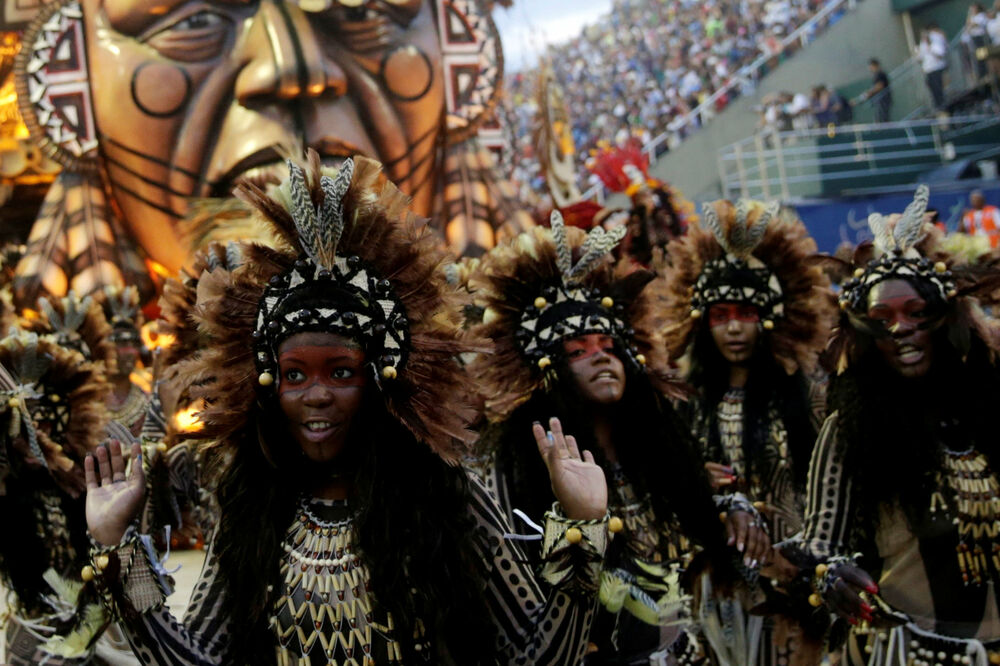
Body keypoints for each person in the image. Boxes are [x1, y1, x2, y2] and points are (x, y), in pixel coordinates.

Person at [83, 153, 611, 665]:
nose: (316, 395)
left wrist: (583, 531)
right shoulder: (252, 511)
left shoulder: (448, 497)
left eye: (340, 372)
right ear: (270, 388)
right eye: (295, 375)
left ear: (381, 383)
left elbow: (536, 656)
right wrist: (115, 547)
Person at [467, 212, 770, 665]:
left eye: (609, 348)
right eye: (578, 351)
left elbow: (686, 526)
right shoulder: (519, 463)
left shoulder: (660, 445)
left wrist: (730, 509)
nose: (601, 359)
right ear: (546, 370)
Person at [791, 185, 1000, 663]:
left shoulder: (990, 406)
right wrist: (832, 577)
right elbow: (820, 548)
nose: (901, 328)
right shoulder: (848, 431)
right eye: (882, 318)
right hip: (910, 653)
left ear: (946, 320)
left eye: (916, 313)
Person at [659, 199, 837, 665]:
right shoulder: (685, 403)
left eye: (745, 313)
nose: (734, 328)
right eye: (720, 316)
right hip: (718, 591)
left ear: (770, 319)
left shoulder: (811, 397)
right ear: (702, 324)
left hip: (799, 587)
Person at [0, 331, 136, 665]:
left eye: (48, 421)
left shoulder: (82, 482)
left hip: (88, 619)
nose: (41, 433)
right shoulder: (10, 487)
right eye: (31, 422)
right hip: (35, 626)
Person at [95, 286, 149, 437]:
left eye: (134, 343)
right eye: (122, 343)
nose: (130, 352)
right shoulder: (87, 400)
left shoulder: (147, 401)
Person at [917, 24, 949, 111]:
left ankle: (942, 103)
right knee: (932, 87)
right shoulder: (922, 45)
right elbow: (920, 58)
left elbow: (940, 54)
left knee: (938, 87)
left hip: (936, 68)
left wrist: (930, 48)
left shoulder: (935, 43)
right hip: (928, 69)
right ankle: (937, 104)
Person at [859, 59, 892, 123]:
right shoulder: (877, 74)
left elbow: (879, 86)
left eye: (871, 66)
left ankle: (886, 131)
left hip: (883, 100)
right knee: (879, 118)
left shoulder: (880, 74)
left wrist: (869, 93)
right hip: (880, 100)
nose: (870, 69)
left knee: (882, 119)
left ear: (875, 65)